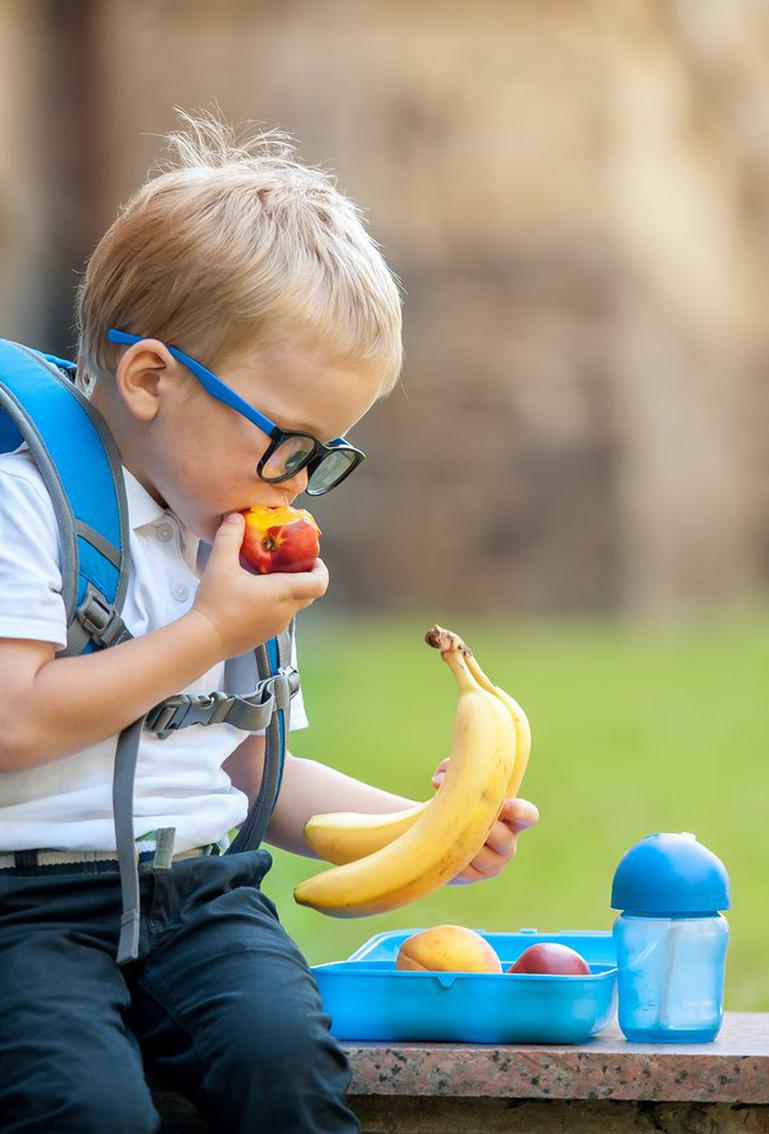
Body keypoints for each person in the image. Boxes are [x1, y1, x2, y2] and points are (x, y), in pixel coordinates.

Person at [0, 111, 539, 1134]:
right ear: (152, 379)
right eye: (289, 442)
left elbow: (244, 769)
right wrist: (206, 629)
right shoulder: (28, 508)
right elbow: (14, 724)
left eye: (325, 453)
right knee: (84, 1109)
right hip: (21, 913)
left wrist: (423, 827)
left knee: (286, 1066)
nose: (298, 482)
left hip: (199, 898)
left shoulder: (237, 548)